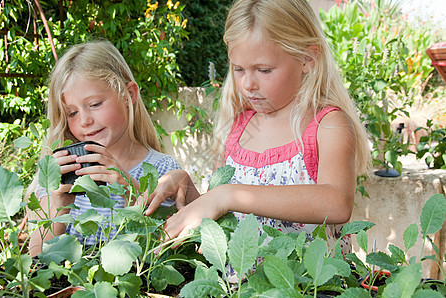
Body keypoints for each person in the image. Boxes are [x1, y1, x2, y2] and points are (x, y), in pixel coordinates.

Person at [146, 0, 371, 256]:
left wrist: (227, 195)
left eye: (264, 70)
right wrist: (189, 191)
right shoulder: (238, 128)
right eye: (238, 69)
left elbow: (337, 202)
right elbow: (225, 219)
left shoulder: (327, 125)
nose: (248, 83)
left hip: (309, 289)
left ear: (307, 59)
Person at [28, 40, 181, 257]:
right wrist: (59, 204)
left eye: (95, 104)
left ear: (130, 94)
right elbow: (36, 260)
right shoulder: (61, 173)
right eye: (72, 113)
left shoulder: (162, 169)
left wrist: (130, 188)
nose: (84, 121)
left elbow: (167, 252)